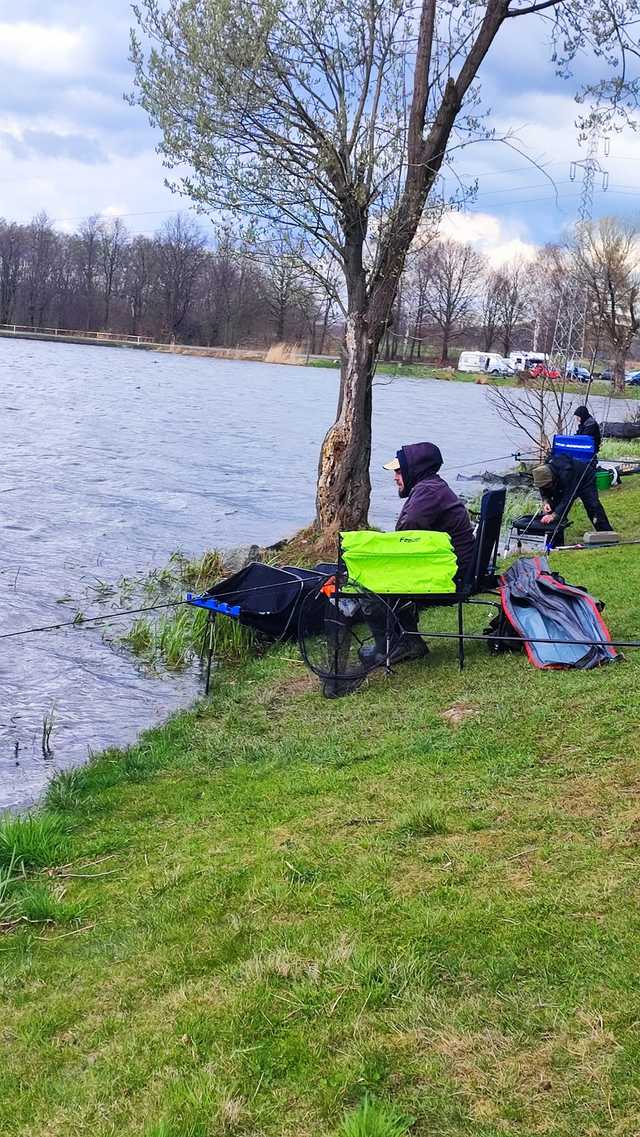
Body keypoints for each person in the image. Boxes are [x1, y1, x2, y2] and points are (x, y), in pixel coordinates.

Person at [360, 442, 475, 667]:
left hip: (452, 576)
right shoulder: (431, 487)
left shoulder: (428, 491)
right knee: (387, 576)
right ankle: (408, 642)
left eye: (399, 471)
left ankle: (395, 645)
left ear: (415, 469)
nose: (395, 477)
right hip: (457, 568)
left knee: (367, 585)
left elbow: (407, 531)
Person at [533, 450, 612, 533]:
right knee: (553, 508)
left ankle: (606, 532)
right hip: (563, 481)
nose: (545, 487)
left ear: (552, 478)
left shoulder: (565, 474)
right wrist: (546, 501)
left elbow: (568, 498)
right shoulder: (542, 473)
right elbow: (542, 488)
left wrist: (554, 515)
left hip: (585, 479)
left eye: (547, 485)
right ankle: (555, 539)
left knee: (593, 506)